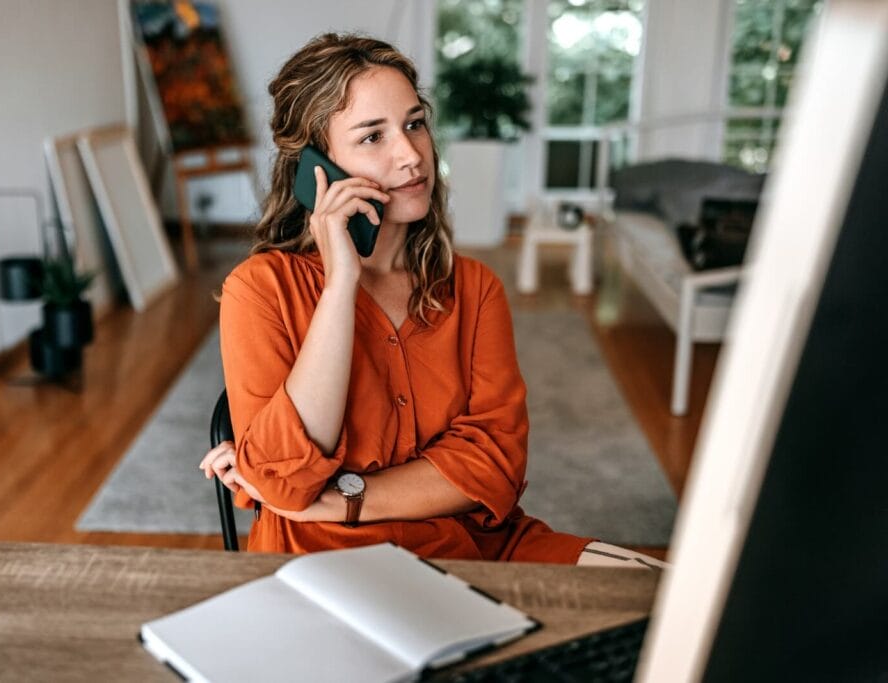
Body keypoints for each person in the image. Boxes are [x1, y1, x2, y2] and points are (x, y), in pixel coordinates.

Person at [200, 33, 657, 567]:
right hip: (324, 560)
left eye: (414, 124)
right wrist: (340, 283)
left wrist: (341, 498)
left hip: (478, 550)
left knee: (665, 599)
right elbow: (282, 479)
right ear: (315, 169)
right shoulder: (261, 289)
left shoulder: (474, 288)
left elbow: (494, 465)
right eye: (372, 137)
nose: (411, 155)